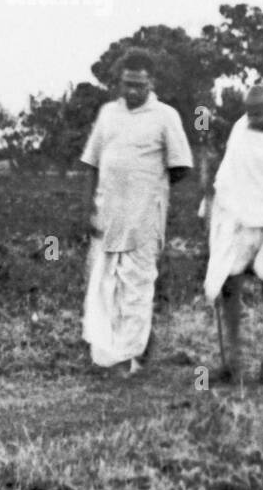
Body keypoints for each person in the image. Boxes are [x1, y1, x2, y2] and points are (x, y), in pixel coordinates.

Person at [80, 48, 193, 376]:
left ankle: (128, 358)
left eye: (138, 85)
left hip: (144, 219)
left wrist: (149, 191)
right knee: (103, 288)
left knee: (136, 290)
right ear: (119, 81)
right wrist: (86, 209)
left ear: (151, 83)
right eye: (126, 84)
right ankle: (105, 355)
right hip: (107, 217)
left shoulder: (165, 116)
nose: (131, 91)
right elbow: (91, 163)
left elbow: (180, 166)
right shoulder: (107, 114)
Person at [200, 85, 263, 384]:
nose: (252, 117)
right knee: (228, 282)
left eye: (258, 112)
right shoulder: (239, 129)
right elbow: (231, 173)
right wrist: (216, 211)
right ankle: (232, 362)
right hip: (243, 219)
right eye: (248, 112)